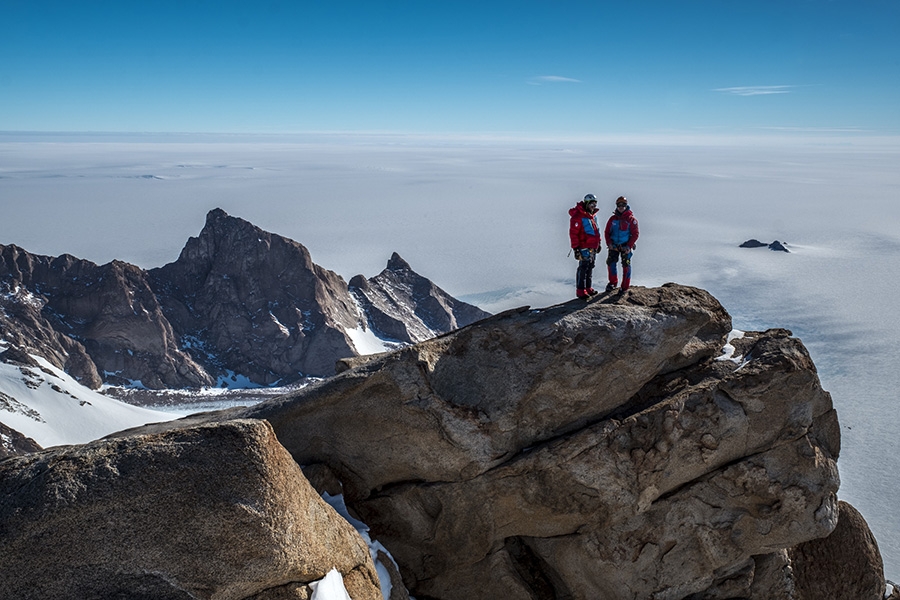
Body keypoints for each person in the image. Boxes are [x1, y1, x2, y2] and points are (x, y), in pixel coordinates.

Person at [568, 193, 602, 298]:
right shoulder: (578, 216)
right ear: (586, 203)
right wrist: (576, 249)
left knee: (590, 267)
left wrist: (599, 243)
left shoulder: (592, 216)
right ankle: (580, 290)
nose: (593, 206)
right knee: (583, 268)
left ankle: (588, 288)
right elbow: (573, 233)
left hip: (592, 247)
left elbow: (597, 231)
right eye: (591, 204)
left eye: (594, 204)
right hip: (583, 247)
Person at [604, 195, 639, 292]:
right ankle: (612, 283)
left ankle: (624, 287)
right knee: (611, 263)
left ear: (626, 205)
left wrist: (629, 246)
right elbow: (607, 232)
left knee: (626, 265)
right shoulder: (612, 219)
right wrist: (609, 243)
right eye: (619, 205)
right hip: (614, 246)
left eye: (623, 204)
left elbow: (635, 234)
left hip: (625, 246)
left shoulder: (631, 220)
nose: (621, 207)